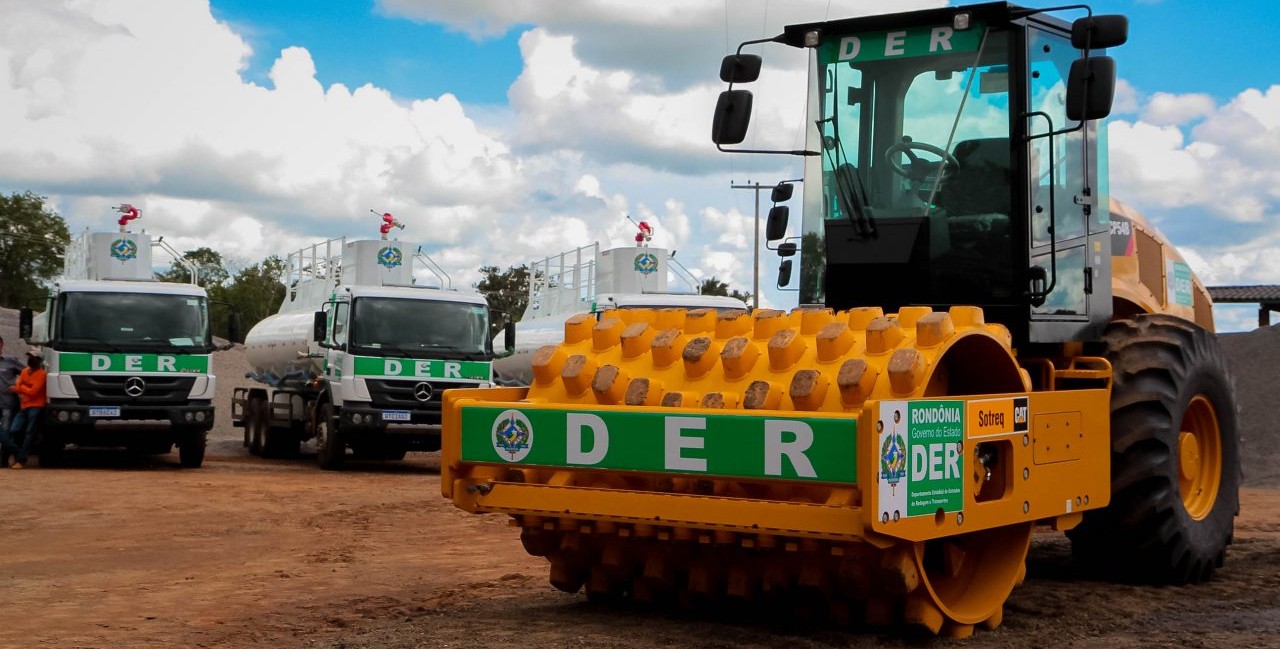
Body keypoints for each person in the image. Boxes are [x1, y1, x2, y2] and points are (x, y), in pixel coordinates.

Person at [2, 351, 47, 469]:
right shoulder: (25, 371)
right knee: (13, 430)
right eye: (30, 356)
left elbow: (33, 392)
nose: (30, 359)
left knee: (29, 433)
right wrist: (22, 388)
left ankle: (22, 458)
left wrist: (19, 388)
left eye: (33, 357)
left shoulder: (42, 374)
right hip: (24, 406)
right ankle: (17, 453)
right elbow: (23, 387)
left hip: (36, 407)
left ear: (39, 360)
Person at [0, 336, 23, 460]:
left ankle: (4, 459)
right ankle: (17, 452)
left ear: (2, 345)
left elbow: (27, 374)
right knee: (2, 433)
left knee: (6, 431)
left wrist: (18, 387)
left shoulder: (10, 361)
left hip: (7, 403)